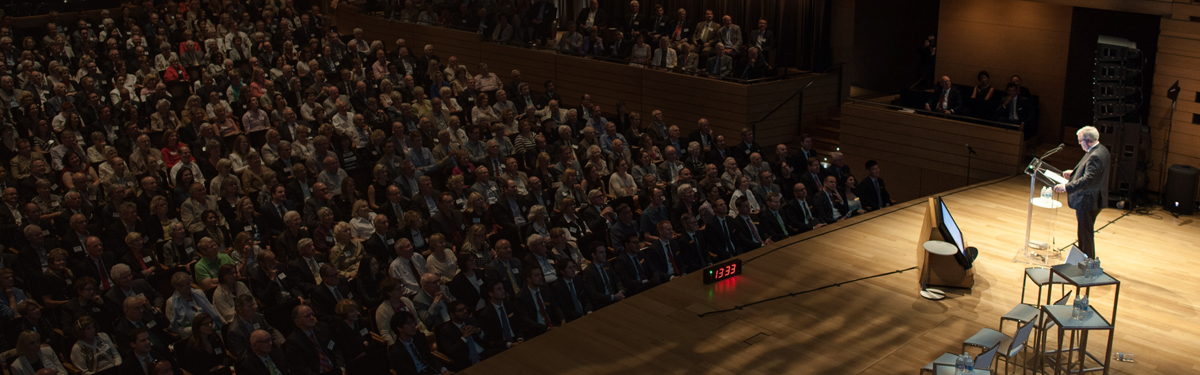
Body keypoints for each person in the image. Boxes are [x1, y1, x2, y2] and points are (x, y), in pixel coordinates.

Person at [1053, 126, 1110, 258]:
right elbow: (1093, 173)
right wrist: (1073, 174)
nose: (1079, 144)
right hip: (1094, 198)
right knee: (1086, 233)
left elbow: (1088, 179)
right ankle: (1086, 260)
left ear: (1088, 139)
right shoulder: (1101, 149)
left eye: (1080, 141)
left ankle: (1086, 263)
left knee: (1085, 234)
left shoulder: (1095, 155)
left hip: (1088, 200)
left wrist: (1066, 187)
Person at [388, 312, 452, 375]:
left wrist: (444, 371)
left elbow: (429, 357)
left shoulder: (419, 337)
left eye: (413, 322)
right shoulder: (396, 352)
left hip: (431, 371)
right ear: (399, 328)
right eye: (409, 323)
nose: (413, 325)